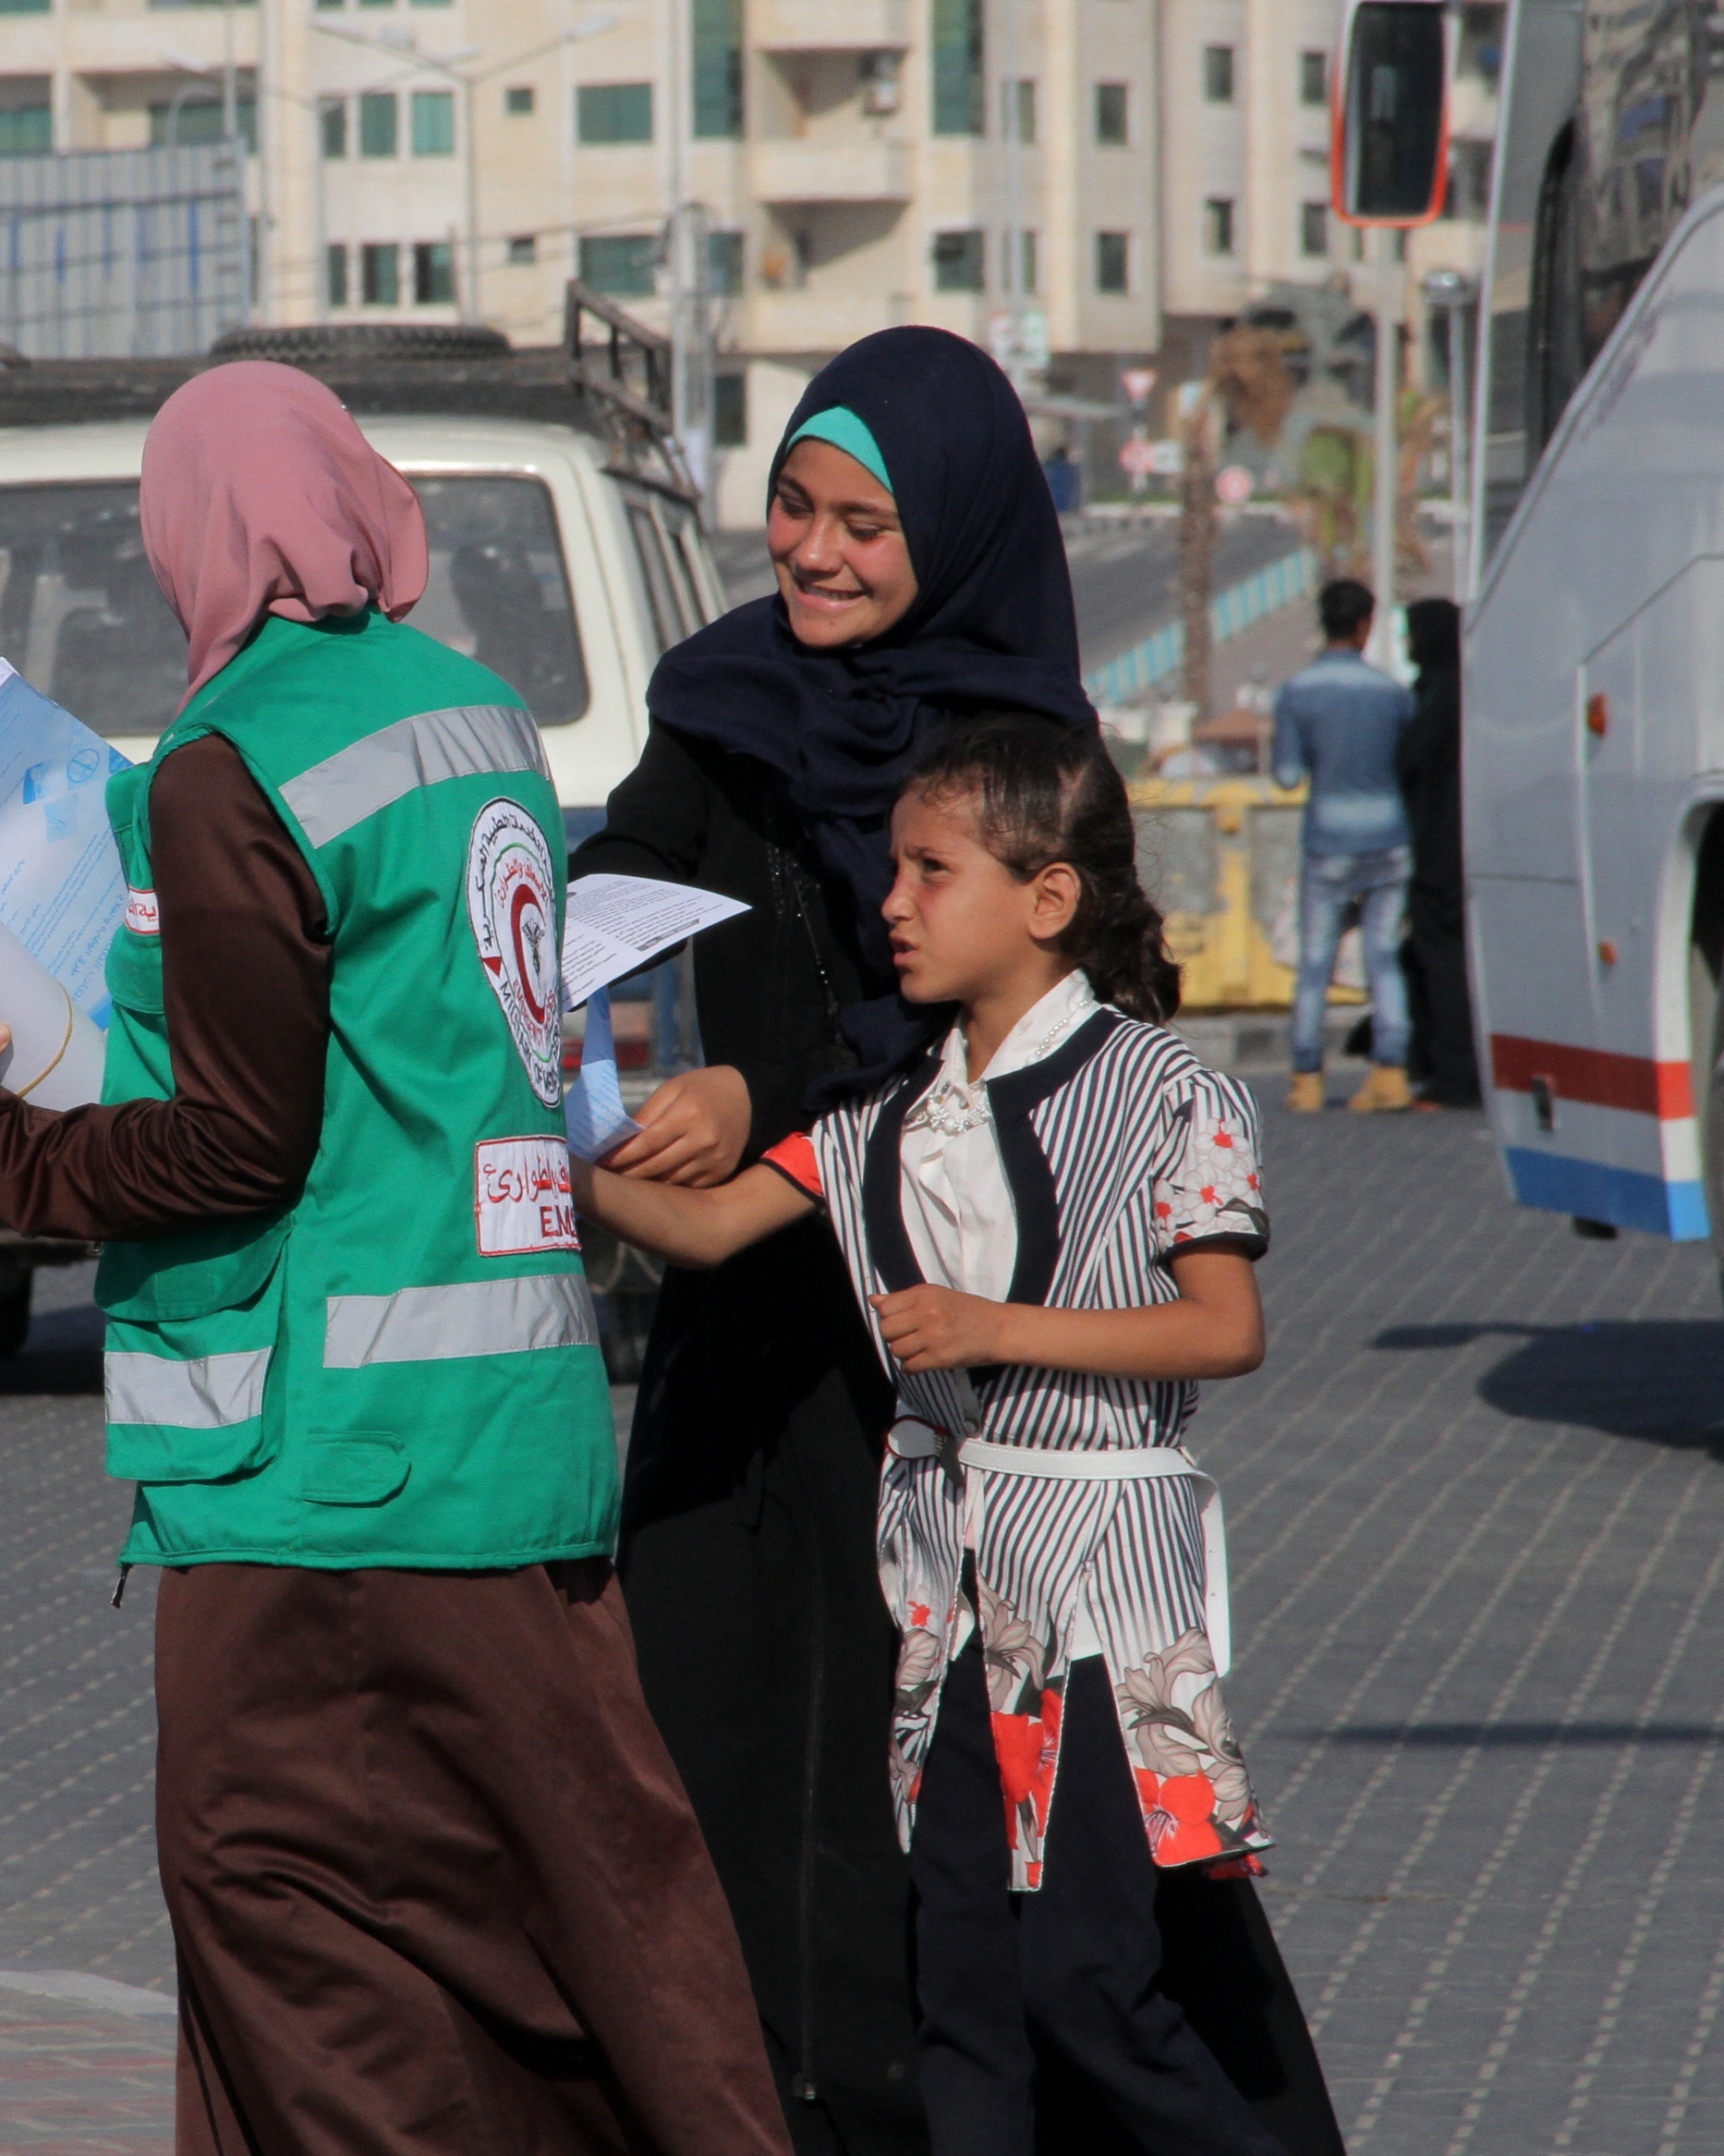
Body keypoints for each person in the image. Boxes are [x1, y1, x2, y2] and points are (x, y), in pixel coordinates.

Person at [0, 359, 790, 2156]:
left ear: (194, 537)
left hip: (319, 1492)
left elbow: (237, 1140)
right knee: (584, 1938)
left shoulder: (225, 764)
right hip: (518, 1453)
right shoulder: (479, 718)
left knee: (287, 1935)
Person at [576, 715, 1344, 2156]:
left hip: (1103, 1603)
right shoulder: (880, 1107)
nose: (894, 903)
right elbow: (706, 1224)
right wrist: (545, 1156)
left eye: (933, 871)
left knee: (1090, 1983)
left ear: (1048, 899)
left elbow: (1223, 1327)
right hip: (945, 1609)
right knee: (964, 1996)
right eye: (895, 870)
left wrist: (998, 1326)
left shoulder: (1169, 1091)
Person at [571, 326, 1099, 2155]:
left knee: (915, 1800)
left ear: (947, 532)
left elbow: (976, 1029)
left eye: (863, 524)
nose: (811, 550)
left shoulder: (1023, 756)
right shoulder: (727, 694)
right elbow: (624, 865)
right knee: (697, 1739)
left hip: (929, 1345)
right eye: (792, 505)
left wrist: (759, 1097)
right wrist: (558, 969)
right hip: (735, 1348)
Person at [1269, 581, 1414, 1114]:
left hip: (1328, 841)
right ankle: (1391, 1072)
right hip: (1390, 838)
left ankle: (1307, 1078)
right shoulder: (1392, 694)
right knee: (1383, 956)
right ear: (1365, 626)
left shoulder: (1297, 693)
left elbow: (1287, 776)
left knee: (1315, 961)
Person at [1393, 599, 1476, 1109]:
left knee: (1444, 964)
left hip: (1441, 855)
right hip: (1456, 848)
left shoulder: (1443, 694)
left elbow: (1411, 760)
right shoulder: (1463, 688)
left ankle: (1454, 1073)